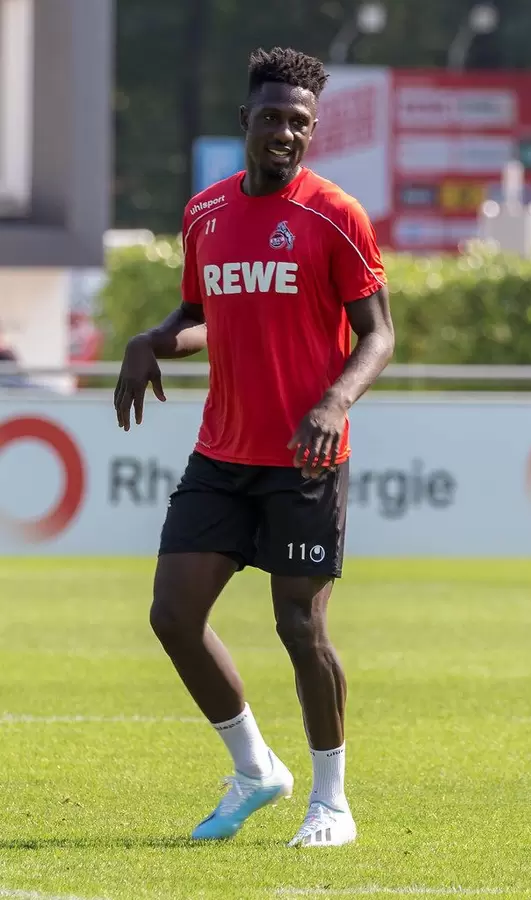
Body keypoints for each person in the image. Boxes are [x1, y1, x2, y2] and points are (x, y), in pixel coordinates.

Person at [114, 46, 395, 848]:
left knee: (300, 628)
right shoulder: (205, 212)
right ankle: (255, 771)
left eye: (299, 124)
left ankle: (331, 801)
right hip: (223, 453)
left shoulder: (334, 215)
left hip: (305, 461)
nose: (285, 134)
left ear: (313, 131)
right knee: (173, 615)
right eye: (272, 118)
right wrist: (153, 339)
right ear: (246, 121)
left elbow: (378, 335)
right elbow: (204, 312)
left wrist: (333, 404)